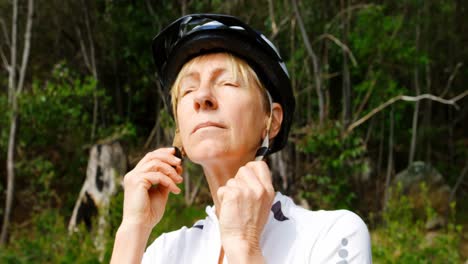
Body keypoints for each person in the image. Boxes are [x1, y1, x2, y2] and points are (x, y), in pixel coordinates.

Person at [110, 14, 372, 264]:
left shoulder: (332, 235)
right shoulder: (164, 252)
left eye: (228, 83)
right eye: (188, 89)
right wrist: (133, 228)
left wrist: (244, 246)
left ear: (272, 121)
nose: (202, 97)